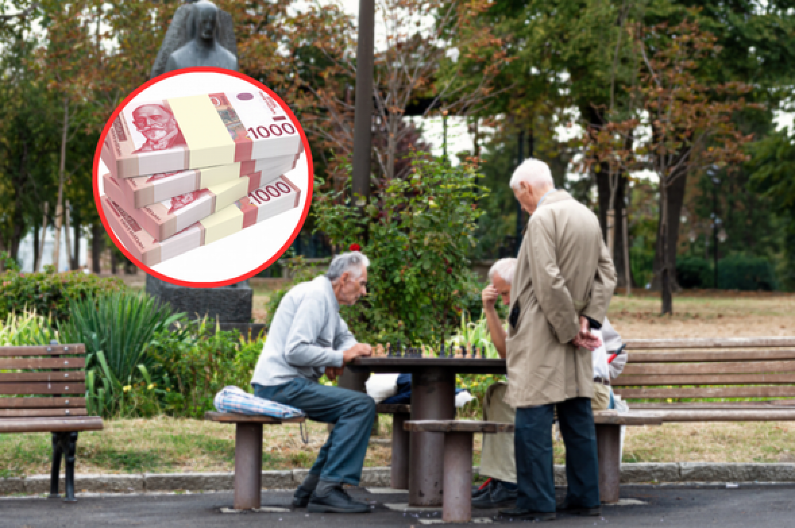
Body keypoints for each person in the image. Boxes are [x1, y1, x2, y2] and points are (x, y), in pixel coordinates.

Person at [501, 159, 616, 521]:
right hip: (573, 328)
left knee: (532, 416)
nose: (522, 206)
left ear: (527, 188)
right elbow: (607, 273)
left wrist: (569, 330)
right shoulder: (587, 216)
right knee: (576, 414)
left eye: (520, 198)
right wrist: (588, 321)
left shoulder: (540, 219)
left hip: (542, 330)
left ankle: (537, 503)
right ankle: (585, 498)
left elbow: (547, 279)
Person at [473, 259, 619, 509]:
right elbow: (507, 354)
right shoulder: (527, 305)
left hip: (587, 388)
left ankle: (511, 483)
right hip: (560, 383)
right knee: (498, 393)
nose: (505, 301)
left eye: (506, 294)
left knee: (508, 398)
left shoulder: (549, 303)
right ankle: (504, 479)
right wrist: (490, 310)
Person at [251, 252, 376, 514]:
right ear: (344, 279)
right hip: (281, 384)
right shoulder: (316, 297)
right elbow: (295, 350)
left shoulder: (328, 300)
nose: (364, 291)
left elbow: (345, 337)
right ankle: (329, 489)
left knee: (352, 410)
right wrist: (338, 356)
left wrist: (345, 352)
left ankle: (312, 488)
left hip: (289, 383)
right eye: (362, 283)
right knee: (359, 407)